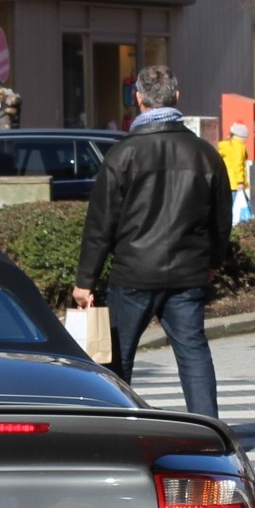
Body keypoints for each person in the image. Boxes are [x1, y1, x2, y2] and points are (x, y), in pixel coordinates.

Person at [74, 64, 230, 419]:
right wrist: (214, 263)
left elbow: (101, 223)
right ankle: (209, 430)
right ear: (177, 97)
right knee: (193, 353)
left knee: (118, 359)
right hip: (188, 272)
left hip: (133, 272)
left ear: (138, 98)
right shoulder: (205, 153)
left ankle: (117, 427)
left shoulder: (122, 154)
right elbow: (222, 217)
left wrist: (86, 279)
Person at [217, 121, 250, 225]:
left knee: (227, 208)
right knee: (240, 208)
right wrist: (241, 182)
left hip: (225, 181)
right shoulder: (239, 147)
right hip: (235, 183)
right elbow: (238, 165)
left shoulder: (224, 146)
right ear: (241, 136)